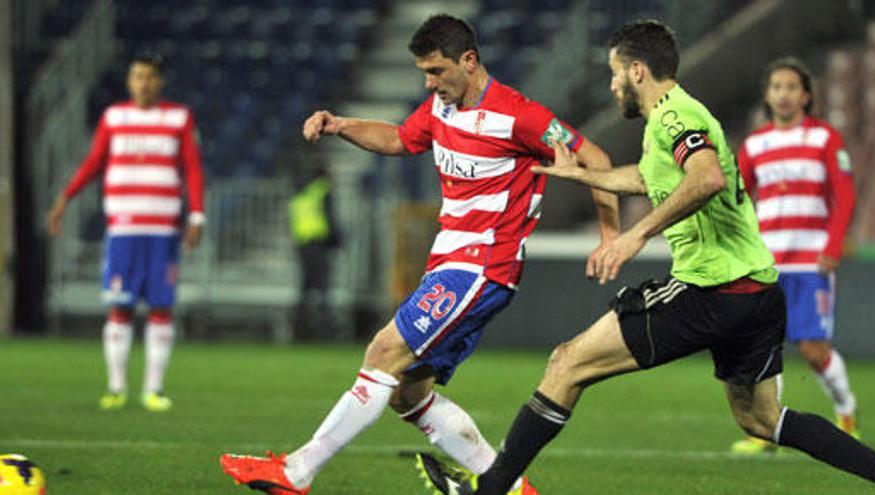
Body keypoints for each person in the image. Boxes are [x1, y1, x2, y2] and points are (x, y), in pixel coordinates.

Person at [418, 20, 875, 494]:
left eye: (615, 73)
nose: (612, 83)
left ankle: (489, 490)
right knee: (762, 420)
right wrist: (582, 176)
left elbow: (706, 179)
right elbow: (649, 177)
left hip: (711, 290)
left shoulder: (676, 117)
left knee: (567, 363)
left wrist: (633, 236)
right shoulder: (672, 118)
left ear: (638, 71)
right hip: (757, 290)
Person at [219, 14, 619, 495]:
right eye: (424, 73)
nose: (429, 82)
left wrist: (611, 236)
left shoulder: (518, 116)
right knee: (407, 393)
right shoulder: (439, 108)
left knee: (384, 351)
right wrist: (340, 124)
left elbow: (595, 157)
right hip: (449, 263)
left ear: (468, 62)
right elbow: (400, 139)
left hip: (482, 265)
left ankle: (297, 472)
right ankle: (513, 489)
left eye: (436, 71)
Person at [47, 53, 205, 413]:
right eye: (137, 77)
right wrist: (64, 198)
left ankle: (154, 389)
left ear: (160, 81)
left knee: (161, 307)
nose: (143, 83)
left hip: (163, 229)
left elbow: (193, 168)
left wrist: (197, 215)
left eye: (149, 77)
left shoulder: (178, 117)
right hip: (123, 229)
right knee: (119, 306)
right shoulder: (114, 117)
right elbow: (93, 162)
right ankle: (116, 387)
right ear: (129, 82)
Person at [731, 57, 859, 454]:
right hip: (766, 262)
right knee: (764, 346)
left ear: (805, 95)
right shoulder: (755, 145)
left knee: (812, 348)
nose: (783, 94)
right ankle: (765, 430)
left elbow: (845, 193)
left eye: (791, 87)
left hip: (810, 261)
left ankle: (846, 411)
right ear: (767, 95)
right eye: (776, 87)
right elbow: (736, 199)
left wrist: (833, 245)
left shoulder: (824, 138)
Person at [288, 163, 341, 339]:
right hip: (318, 243)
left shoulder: (300, 194)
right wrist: (337, 240)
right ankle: (322, 329)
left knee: (306, 287)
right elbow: (329, 217)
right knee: (322, 287)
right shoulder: (322, 191)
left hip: (302, 244)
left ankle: (298, 327)